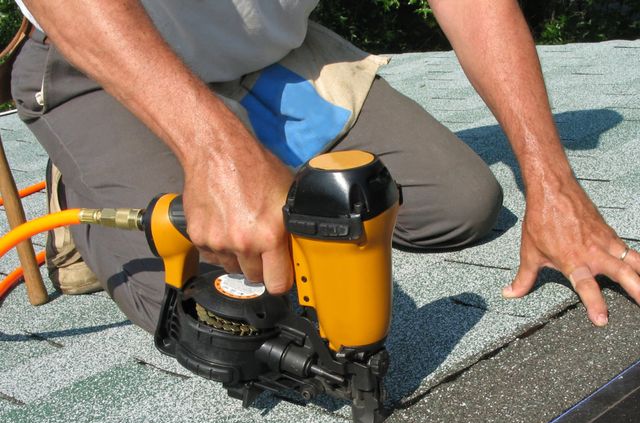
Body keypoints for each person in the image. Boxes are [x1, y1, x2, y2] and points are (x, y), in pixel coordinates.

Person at [10, 0, 640, 334]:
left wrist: (552, 185)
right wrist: (211, 148)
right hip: (106, 60)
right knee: (228, 315)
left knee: (463, 205)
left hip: (267, 54)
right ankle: (83, 183)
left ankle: (248, 135)